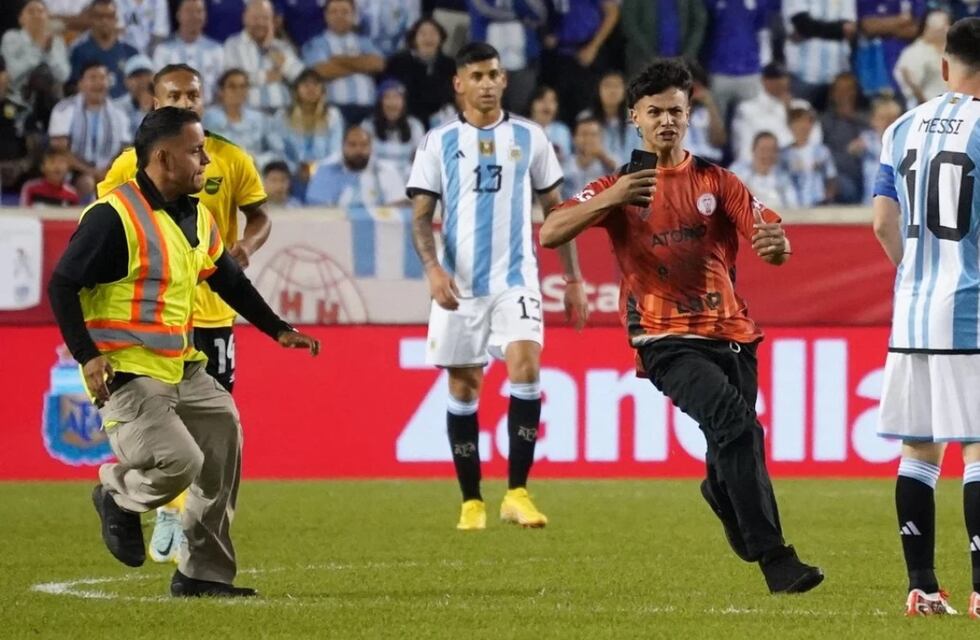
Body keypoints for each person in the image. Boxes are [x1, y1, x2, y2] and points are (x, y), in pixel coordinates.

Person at [539, 58, 823, 594]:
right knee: (739, 428)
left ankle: (721, 494)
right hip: (664, 338)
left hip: (732, 333)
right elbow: (551, 231)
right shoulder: (617, 185)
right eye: (654, 112)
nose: (665, 120)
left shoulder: (718, 180)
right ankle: (776, 560)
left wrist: (777, 247)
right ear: (634, 119)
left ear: (689, 115)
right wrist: (613, 197)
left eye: (675, 111)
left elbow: (771, 237)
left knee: (730, 440)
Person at [48, 106, 320, 598]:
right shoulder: (113, 217)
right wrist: (88, 355)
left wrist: (277, 329)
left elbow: (228, 278)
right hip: (126, 371)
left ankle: (200, 573)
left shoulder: (195, 215)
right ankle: (117, 493)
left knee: (224, 434)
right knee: (180, 462)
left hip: (179, 364)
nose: (206, 163)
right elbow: (62, 284)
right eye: (196, 152)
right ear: (163, 158)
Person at [407, 42, 589, 531]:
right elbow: (422, 219)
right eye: (477, 75)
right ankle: (472, 500)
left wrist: (572, 279)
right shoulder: (437, 142)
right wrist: (432, 269)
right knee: (464, 385)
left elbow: (559, 213)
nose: (487, 83)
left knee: (526, 367)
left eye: (494, 74)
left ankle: (517, 492)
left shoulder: (531, 138)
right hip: (460, 285)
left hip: (517, 279)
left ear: (504, 80)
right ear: (458, 84)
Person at [98, 63, 273, 564]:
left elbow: (259, 216)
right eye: (173, 94)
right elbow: (109, 229)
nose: (185, 101)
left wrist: (245, 250)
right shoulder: (130, 164)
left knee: (214, 429)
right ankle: (165, 504)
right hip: (154, 320)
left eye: (193, 93)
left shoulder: (229, 158)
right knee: (169, 430)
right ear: (154, 101)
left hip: (213, 311)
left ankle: (193, 544)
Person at [872, 16, 980, 617]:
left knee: (919, 451)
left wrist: (915, 274)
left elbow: (883, 222)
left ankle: (922, 585)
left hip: (911, 312)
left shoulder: (901, 127)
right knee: (978, 450)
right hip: (970, 310)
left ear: (945, 65)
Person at [48, 61, 132, 199]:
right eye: (93, 78)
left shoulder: (120, 113)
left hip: (110, 170)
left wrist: (107, 170)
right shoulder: (64, 109)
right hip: (75, 170)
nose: (99, 83)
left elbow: (125, 148)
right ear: (80, 84)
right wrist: (91, 171)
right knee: (86, 183)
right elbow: (59, 149)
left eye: (103, 78)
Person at [301, 0, 385, 125]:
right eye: (334, 12)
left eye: (345, 12)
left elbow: (378, 64)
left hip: (368, 108)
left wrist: (338, 60)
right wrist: (361, 64)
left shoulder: (365, 42)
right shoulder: (316, 43)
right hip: (334, 109)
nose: (339, 16)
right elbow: (321, 71)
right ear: (326, 15)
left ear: (354, 15)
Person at [223, 0, 304, 112]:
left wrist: (273, 54)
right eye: (255, 18)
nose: (260, 23)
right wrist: (264, 76)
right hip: (250, 112)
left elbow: (301, 76)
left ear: (272, 21)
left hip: (284, 112)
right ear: (245, 18)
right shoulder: (233, 45)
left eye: (265, 18)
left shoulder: (281, 46)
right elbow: (232, 80)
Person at [781, 0, 857, 111]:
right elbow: (803, 26)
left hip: (837, 76)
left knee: (838, 126)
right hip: (802, 76)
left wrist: (814, 28)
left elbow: (849, 28)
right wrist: (838, 30)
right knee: (800, 123)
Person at [273, 68, 344, 184]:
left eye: (316, 84)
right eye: (306, 84)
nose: (311, 88)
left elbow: (336, 151)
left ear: (322, 90)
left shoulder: (333, 115)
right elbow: (279, 149)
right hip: (291, 174)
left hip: (324, 174)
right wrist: (295, 168)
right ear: (296, 90)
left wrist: (317, 169)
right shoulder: (282, 116)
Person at [305, 124, 404, 206]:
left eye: (364, 145)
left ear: (371, 148)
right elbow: (316, 211)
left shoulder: (387, 171)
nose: (358, 150)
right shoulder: (325, 170)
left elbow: (399, 208)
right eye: (352, 145)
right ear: (342, 146)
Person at [384, 16, 456, 127]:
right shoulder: (398, 62)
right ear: (414, 38)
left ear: (440, 38)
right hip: (408, 119)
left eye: (433, 34)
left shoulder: (450, 65)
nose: (428, 38)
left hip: (441, 119)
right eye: (423, 34)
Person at [202, 68, 277, 170]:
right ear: (221, 91)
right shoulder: (208, 119)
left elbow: (276, 151)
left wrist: (257, 160)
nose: (238, 91)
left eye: (243, 87)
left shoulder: (260, 119)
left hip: (254, 171)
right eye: (232, 87)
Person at [153, 0, 224, 104]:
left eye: (199, 11)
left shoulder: (216, 50)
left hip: (210, 112)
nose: (194, 16)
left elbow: (222, 88)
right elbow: (159, 88)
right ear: (178, 15)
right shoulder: (163, 51)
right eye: (189, 11)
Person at [68, 0, 139, 99]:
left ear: (116, 19)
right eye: (99, 16)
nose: (104, 21)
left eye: (110, 16)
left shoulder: (130, 51)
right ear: (91, 18)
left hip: (126, 111)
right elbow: (74, 87)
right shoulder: (78, 51)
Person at [1, 0, 71, 100]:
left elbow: (64, 75)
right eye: (31, 12)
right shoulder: (11, 38)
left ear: (47, 17)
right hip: (17, 98)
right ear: (21, 19)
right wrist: (39, 48)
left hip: (48, 99)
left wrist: (49, 53)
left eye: (41, 11)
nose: (36, 15)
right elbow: (12, 73)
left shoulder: (56, 41)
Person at [620, 0, 707, 80]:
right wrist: (650, 55)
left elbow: (698, 21)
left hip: (680, 64)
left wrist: (688, 54)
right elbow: (629, 24)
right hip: (643, 61)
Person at [360, 79, 425, 180]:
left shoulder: (415, 125)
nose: (392, 103)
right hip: (376, 179)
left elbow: (421, 160)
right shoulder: (367, 125)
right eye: (387, 97)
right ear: (380, 102)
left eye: (396, 97)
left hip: (406, 181)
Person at [894, 9, 951, 107]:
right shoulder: (913, 53)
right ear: (928, 29)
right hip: (926, 108)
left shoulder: (955, 50)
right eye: (942, 28)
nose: (947, 30)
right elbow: (911, 88)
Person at [781, 106, 837, 207]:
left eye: (807, 122)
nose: (802, 126)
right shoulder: (783, 155)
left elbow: (831, 178)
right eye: (798, 122)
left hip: (817, 205)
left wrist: (827, 199)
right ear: (790, 126)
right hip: (790, 206)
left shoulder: (822, 152)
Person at [731, 131, 798, 209]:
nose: (767, 154)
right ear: (753, 150)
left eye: (771, 150)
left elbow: (794, 206)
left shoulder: (784, 179)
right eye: (763, 149)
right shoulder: (738, 172)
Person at [857, 96, 901, 203]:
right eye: (882, 118)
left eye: (892, 119)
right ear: (873, 120)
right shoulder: (867, 138)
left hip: (898, 203)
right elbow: (852, 148)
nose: (887, 123)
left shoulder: (904, 142)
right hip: (870, 202)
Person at [561, 115, 616, 200]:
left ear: (601, 138)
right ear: (574, 138)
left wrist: (602, 156)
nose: (588, 139)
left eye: (593, 135)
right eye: (584, 134)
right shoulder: (563, 165)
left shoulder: (609, 164)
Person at [113, 54, 154, 139]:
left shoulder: (165, 104)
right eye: (137, 76)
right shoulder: (117, 107)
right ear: (126, 81)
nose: (143, 80)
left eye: (147, 75)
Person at [528, 85, 572, 162]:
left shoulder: (562, 131)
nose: (547, 105)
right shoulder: (521, 128)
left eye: (552, 101)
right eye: (542, 100)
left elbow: (566, 158)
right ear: (532, 104)